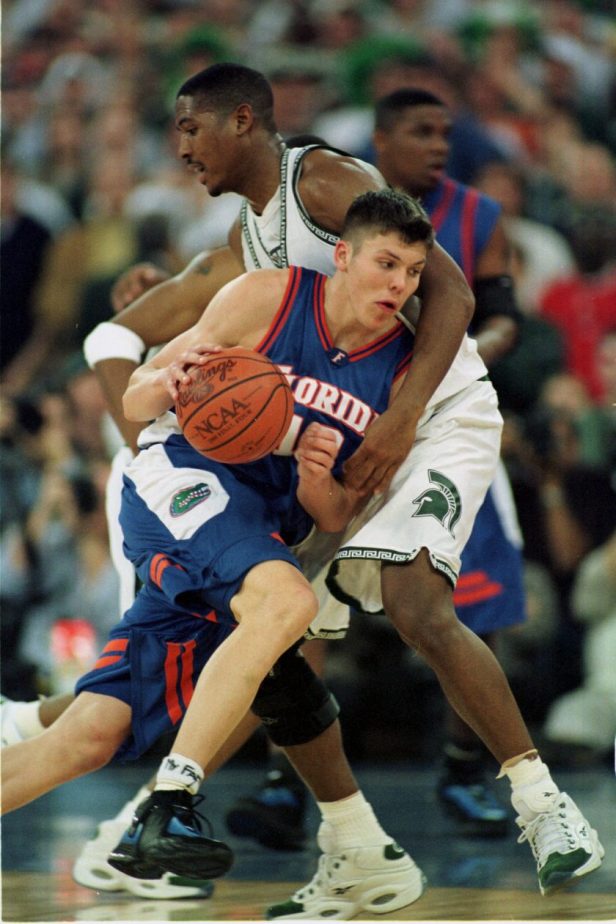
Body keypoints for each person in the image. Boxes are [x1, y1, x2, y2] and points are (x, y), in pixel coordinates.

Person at [2, 65, 604, 907]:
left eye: (190, 129)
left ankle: (543, 806)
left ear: (241, 121)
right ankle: (355, 846)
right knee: (274, 637)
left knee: (411, 600)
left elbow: (453, 289)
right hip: (336, 431)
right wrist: (169, 433)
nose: (179, 149)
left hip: (430, 409)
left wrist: (400, 418)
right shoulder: (256, 249)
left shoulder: (318, 178)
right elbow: (148, 352)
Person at [2, 188, 437, 921]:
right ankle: (171, 799)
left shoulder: (400, 372)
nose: (398, 285)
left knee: (92, 734)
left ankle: (148, 788)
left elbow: (336, 513)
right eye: (387, 264)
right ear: (343, 256)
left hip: (253, 537)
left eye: (415, 273)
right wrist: (164, 380)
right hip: (180, 479)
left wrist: (311, 476)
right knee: (288, 603)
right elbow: (140, 400)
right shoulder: (267, 296)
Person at [372, 86, 526, 836]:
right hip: (357, 416)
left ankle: (467, 767)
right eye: (419, 131)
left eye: (444, 132)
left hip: (451, 420)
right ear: (380, 139)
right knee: (299, 604)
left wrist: (460, 352)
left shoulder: (478, 215)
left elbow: (504, 318)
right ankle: (282, 774)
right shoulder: (345, 202)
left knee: (478, 596)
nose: (437, 143)